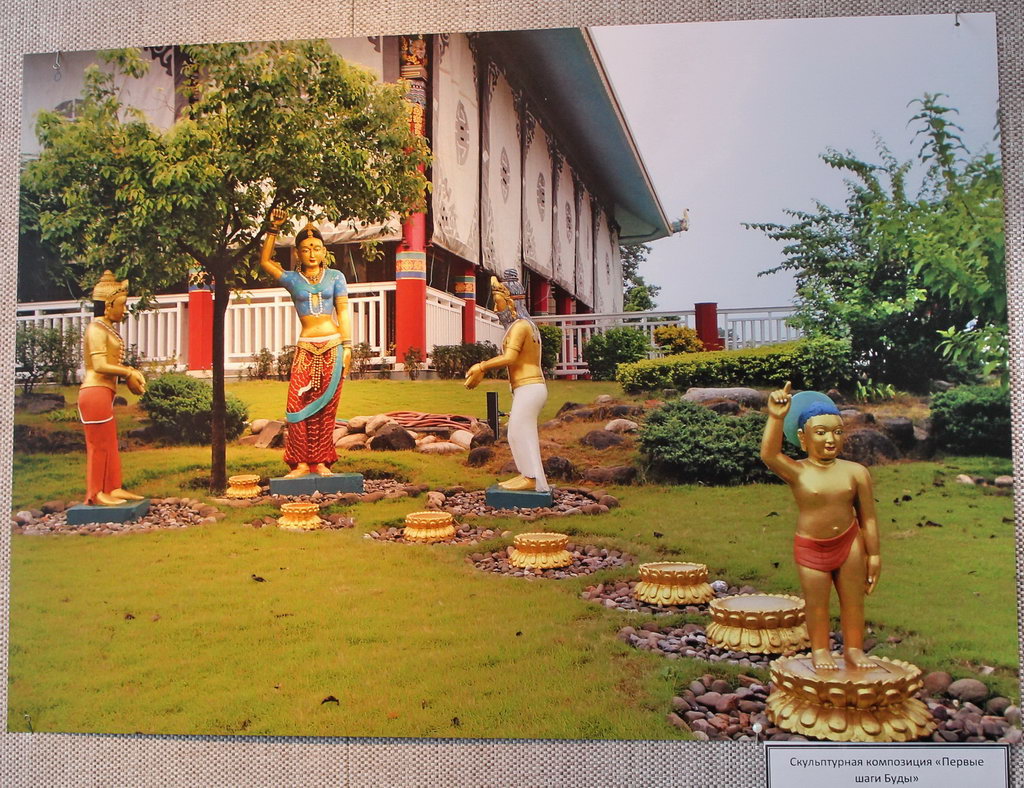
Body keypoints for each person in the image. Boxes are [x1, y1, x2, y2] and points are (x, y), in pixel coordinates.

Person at [760, 381, 881, 671]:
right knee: (816, 602)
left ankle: (854, 650)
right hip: (811, 546)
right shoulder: (798, 471)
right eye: (821, 432)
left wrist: (874, 554)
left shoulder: (856, 472)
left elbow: (868, 517)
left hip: (850, 543)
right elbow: (769, 455)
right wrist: (776, 417)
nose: (830, 439)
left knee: (853, 601)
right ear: (803, 438)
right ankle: (820, 650)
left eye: (837, 432)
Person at [260, 209, 353, 478]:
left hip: (333, 345)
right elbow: (265, 262)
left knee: (327, 407)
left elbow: (343, 312)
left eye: (316, 248)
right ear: (298, 253)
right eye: (305, 249)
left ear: (324, 251)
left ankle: (322, 461)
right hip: (306, 347)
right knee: (296, 405)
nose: (312, 254)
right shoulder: (292, 280)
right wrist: (273, 230)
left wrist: (348, 347)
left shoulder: (336, 277)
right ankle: (300, 462)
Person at [465, 269, 549, 493]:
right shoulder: (523, 325)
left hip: (530, 387)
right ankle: (531, 478)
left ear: (511, 302)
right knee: (522, 432)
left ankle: (531, 478)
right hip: (528, 387)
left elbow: (510, 357)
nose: (496, 308)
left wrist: (481, 366)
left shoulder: (520, 326)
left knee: (517, 432)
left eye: (498, 302)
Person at [79, 270, 147, 505]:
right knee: (98, 444)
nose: (125, 310)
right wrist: (128, 372)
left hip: (104, 392)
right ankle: (96, 493)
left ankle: (113, 487)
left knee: (109, 443)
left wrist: (129, 373)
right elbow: (99, 365)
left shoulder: (106, 328)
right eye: (122, 304)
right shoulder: (95, 329)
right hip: (94, 392)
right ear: (108, 305)